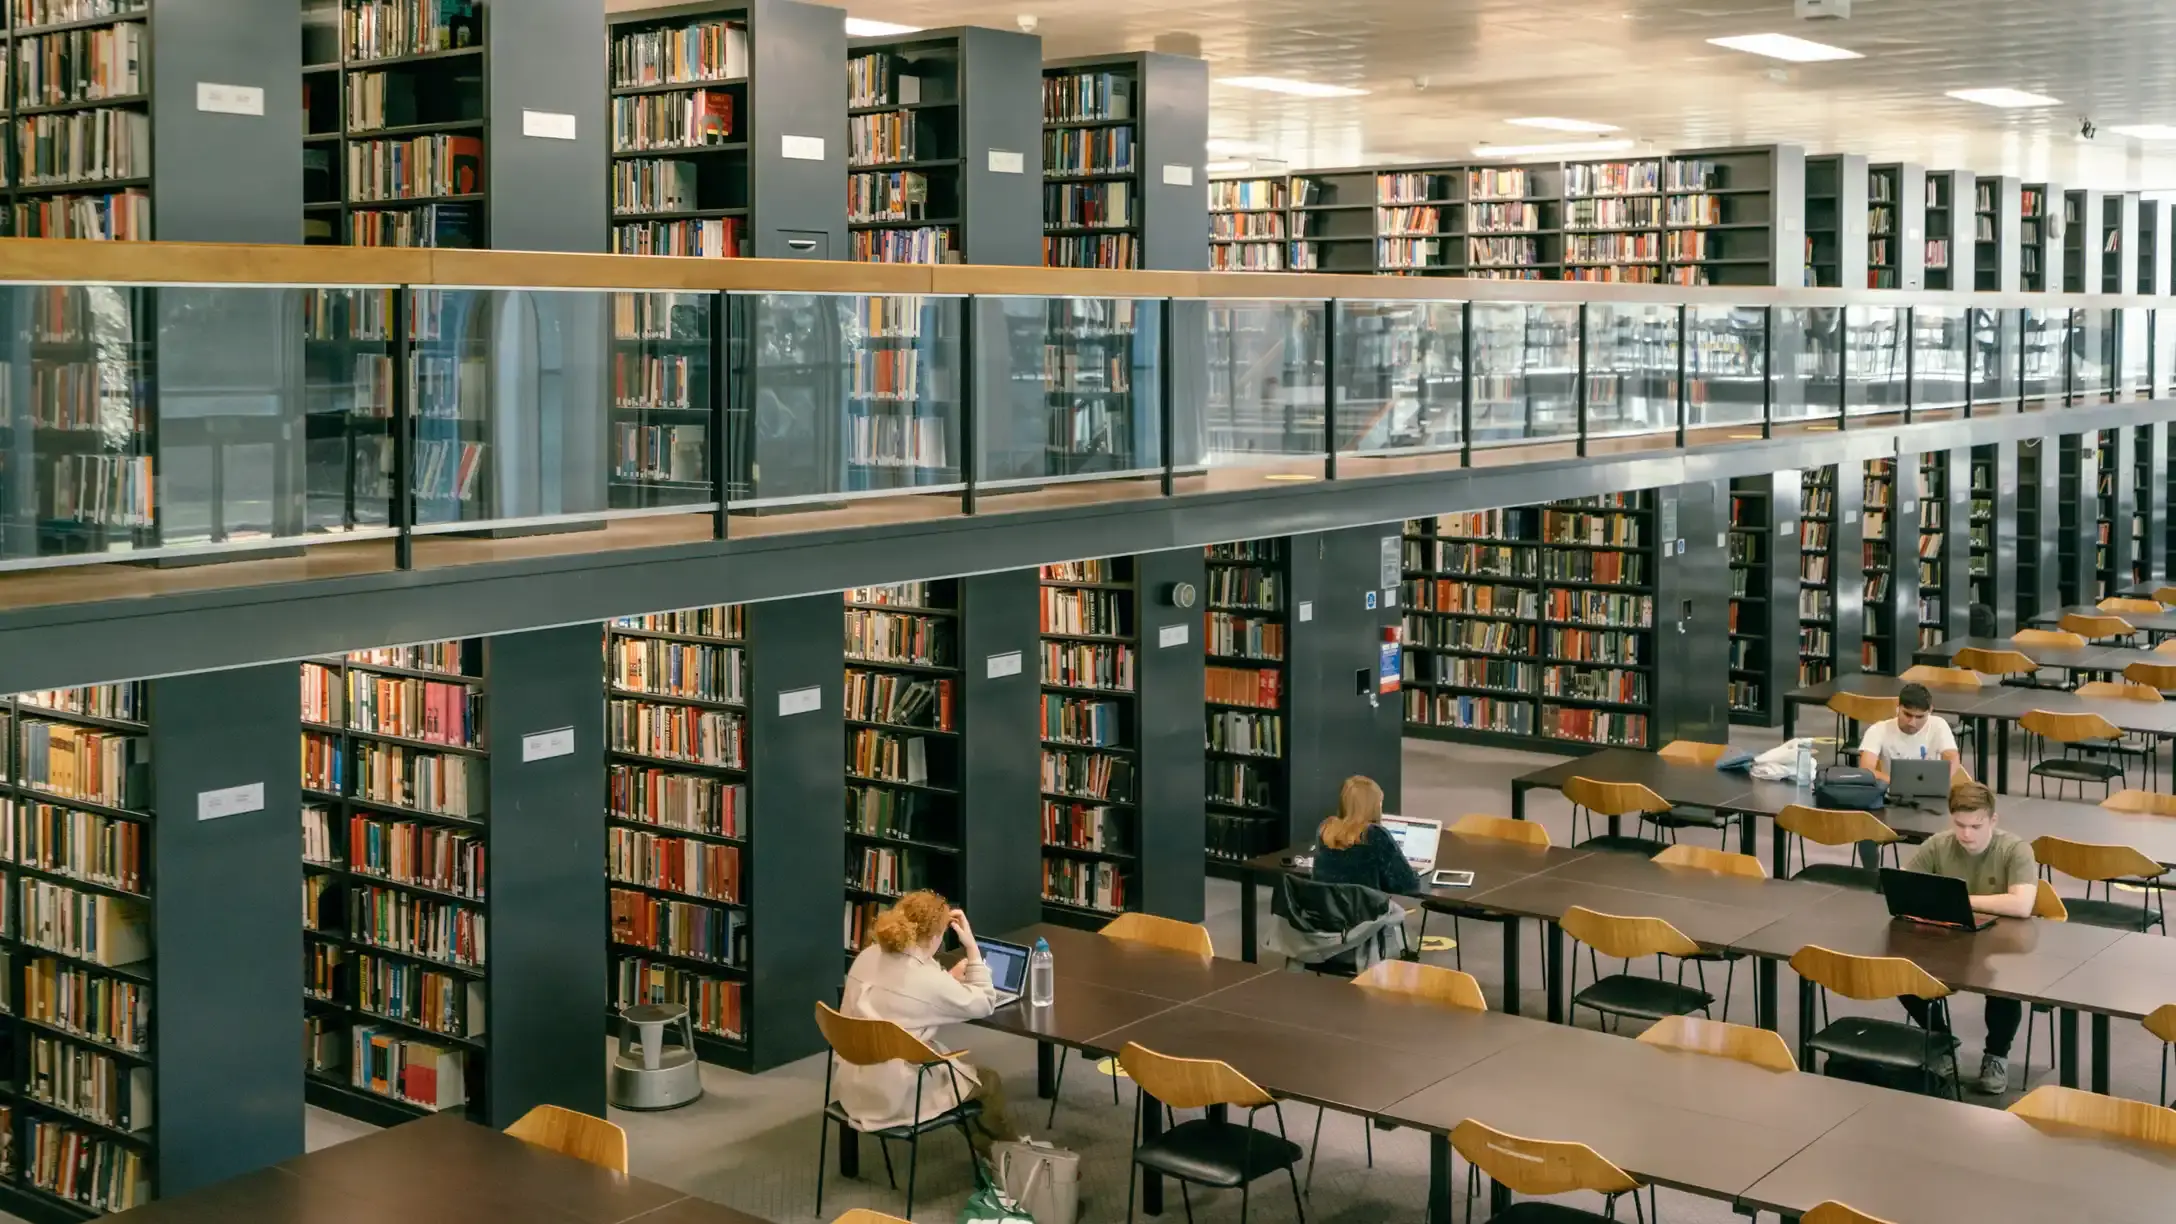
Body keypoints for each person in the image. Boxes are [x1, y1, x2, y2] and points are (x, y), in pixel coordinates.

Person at [835, 890, 1020, 1160]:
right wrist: (972, 949)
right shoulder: (926, 980)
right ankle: (1014, 1158)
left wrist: (945, 978)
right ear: (935, 936)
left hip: (852, 1084)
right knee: (987, 1081)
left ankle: (992, 1152)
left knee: (958, 1079)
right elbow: (984, 1003)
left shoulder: (868, 955)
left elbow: (906, 994)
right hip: (895, 1094)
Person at [1898, 781, 2038, 1095]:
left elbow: (2021, 904)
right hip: (1949, 940)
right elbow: (1904, 886)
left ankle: (1996, 1056)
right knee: (1902, 973)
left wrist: (1960, 899)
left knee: (2005, 987)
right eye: (1960, 825)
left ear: (1993, 821)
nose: (1966, 835)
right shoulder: (1938, 844)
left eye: (1976, 826)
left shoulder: (2015, 849)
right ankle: (1943, 1043)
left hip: (2002, 945)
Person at [1310, 775, 1422, 895]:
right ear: (1374, 806)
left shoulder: (1325, 829)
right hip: (1364, 913)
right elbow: (1408, 886)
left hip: (1327, 910)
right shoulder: (1375, 835)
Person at [1857, 682, 1968, 782]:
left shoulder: (1938, 725)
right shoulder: (1878, 730)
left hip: (1929, 791)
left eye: (1920, 717)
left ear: (1930, 710)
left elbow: (1952, 757)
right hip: (1892, 792)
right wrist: (1898, 784)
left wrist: (1940, 781)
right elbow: (1866, 768)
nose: (1912, 723)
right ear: (1898, 707)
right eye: (1907, 715)